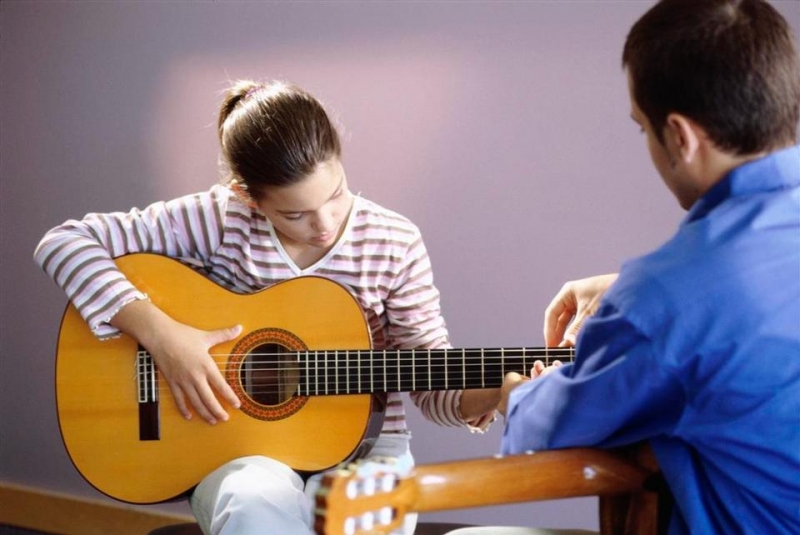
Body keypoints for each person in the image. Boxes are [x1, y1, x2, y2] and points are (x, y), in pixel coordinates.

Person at [34, 80, 499, 535]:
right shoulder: (221, 218)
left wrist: (497, 395)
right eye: (293, 214)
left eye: (335, 194)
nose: (324, 224)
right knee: (252, 505)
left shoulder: (394, 241)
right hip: (239, 452)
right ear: (247, 196)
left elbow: (433, 386)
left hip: (370, 452)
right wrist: (163, 337)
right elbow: (65, 243)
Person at [499, 1, 800, 534]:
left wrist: (517, 396)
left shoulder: (667, 298)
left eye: (642, 127)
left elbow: (544, 433)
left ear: (680, 138)